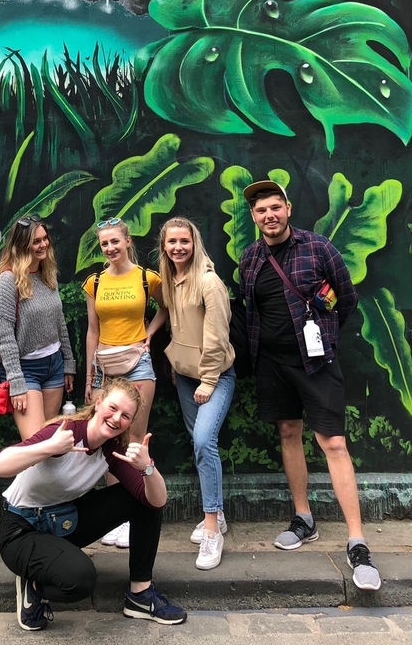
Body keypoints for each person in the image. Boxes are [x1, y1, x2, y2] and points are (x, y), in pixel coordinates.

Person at [239, 179, 381, 591]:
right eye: (261, 210)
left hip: (316, 363)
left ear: (288, 208)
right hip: (272, 364)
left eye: (275, 207)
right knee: (288, 433)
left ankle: (357, 542)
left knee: (333, 442)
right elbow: (251, 311)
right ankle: (304, 519)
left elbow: (346, 298)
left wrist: (325, 336)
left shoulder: (318, 248)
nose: (269, 215)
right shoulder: (250, 258)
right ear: (254, 217)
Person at [0, 377, 186, 630]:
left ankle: (140, 595)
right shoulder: (65, 433)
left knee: (142, 501)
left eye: (126, 416)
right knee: (81, 579)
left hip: (63, 522)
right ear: (99, 402)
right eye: (113, 408)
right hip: (21, 532)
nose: (117, 419)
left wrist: (147, 468)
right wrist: (48, 447)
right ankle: (35, 584)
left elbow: (156, 501)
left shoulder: (112, 450)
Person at [157, 217, 235, 570]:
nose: (178, 247)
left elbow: (217, 336)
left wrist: (208, 380)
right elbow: (176, 323)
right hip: (185, 377)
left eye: (184, 241)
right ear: (164, 246)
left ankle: (211, 532)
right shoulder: (171, 280)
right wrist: (175, 362)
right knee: (199, 444)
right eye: (171, 241)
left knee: (204, 441)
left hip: (214, 377)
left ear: (194, 242)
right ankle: (216, 515)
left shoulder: (209, 281)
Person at [82, 218, 165, 549]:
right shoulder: (95, 282)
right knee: (108, 441)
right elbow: (92, 329)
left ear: (128, 241)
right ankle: (115, 517)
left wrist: (149, 334)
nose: (110, 248)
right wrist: (89, 375)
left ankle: (135, 512)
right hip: (104, 367)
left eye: (115, 241)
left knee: (134, 442)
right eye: (104, 244)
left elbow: (166, 308)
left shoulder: (147, 278)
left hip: (138, 364)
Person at [0, 216, 75, 440]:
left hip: (54, 366)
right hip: (25, 369)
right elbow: (4, 334)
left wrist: (68, 362)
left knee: (50, 440)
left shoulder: (48, 274)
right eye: (36, 241)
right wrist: (16, 382)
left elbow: (60, 322)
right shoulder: (8, 281)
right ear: (21, 245)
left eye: (45, 239)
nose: (43, 245)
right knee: (37, 444)